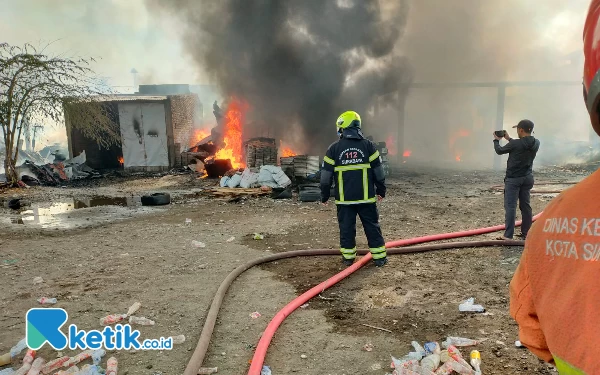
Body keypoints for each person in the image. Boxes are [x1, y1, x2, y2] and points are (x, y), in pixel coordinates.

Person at [509, 1, 600, 373]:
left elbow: (533, 330)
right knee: (527, 211)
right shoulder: (533, 143)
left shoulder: (559, 219)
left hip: (516, 179)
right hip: (528, 179)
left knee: (516, 211)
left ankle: (507, 231)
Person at [320, 110, 387, 267]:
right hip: (366, 199)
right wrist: (381, 190)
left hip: (345, 200)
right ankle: (380, 259)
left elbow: (325, 178)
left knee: (346, 230)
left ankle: (348, 259)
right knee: (372, 227)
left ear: (343, 127)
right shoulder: (369, 146)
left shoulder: (334, 149)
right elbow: (379, 172)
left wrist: (324, 195)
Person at [492, 120, 540, 240]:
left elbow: (499, 151)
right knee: (525, 206)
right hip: (527, 178)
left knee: (510, 206)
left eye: (518, 129)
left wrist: (496, 140)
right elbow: (520, 144)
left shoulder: (516, 144)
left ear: (521, 130)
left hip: (513, 179)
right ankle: (526, 233)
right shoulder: (536, 142)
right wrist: (509, 138)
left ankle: (508, 236)